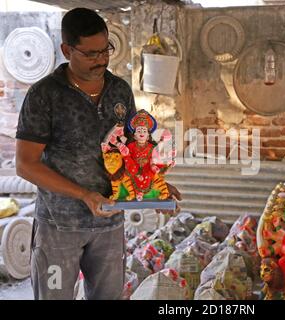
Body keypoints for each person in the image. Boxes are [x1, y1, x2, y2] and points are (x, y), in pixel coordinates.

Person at [15, 8, 181, 300]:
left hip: (109, 222)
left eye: (105, 50)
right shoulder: (45, 95)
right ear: (67, 49)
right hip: (59, 225)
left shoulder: (120, 91)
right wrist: (84, 195)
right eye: (90, 54)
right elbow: (25, 165)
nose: (101, 60)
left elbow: (132, 152)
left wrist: (153, 187)